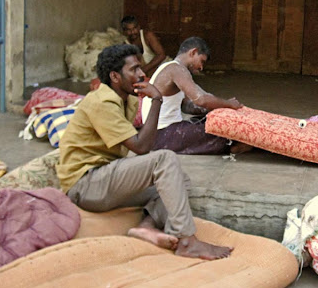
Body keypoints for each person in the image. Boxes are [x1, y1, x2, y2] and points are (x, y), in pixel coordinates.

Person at [56, 44, 232, 260]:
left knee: (178, 179)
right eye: (134, 69)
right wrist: (157, 100)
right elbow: (142, 147)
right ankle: (187, 241)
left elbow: (141, 148)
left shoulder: (127, 100)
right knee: (165, 159)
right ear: (115, 76)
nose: (142, 73)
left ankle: (145, 227)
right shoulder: (101, 102)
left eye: (140, 68)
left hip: (103, 177)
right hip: (85, 185)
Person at [141, 36, 252, 155]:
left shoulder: (171, 68)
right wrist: (229, 104)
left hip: (157, 134)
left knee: (209, 122)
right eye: (201, 61)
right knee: (223, 132)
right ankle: (233, 145)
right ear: (193, 52)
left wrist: (215, 111)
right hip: (163, 135)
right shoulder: (176, 69)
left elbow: (187, 106)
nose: (201, 67)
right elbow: (201, 99)